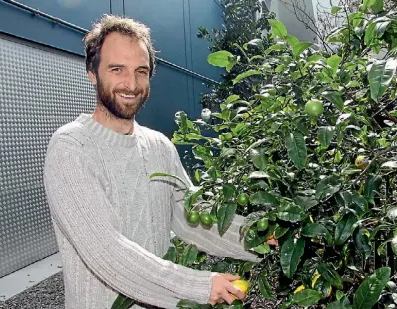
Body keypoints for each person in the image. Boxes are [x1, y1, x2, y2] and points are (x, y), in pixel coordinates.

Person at [43, 15, 276, 309]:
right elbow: (106, 252)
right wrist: (198, 285)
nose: (131, 83)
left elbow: (191, 219)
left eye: (141, 71)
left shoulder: (159, 146)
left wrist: (261, 237)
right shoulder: (71, 147)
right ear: (93, 72)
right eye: (117, 69)